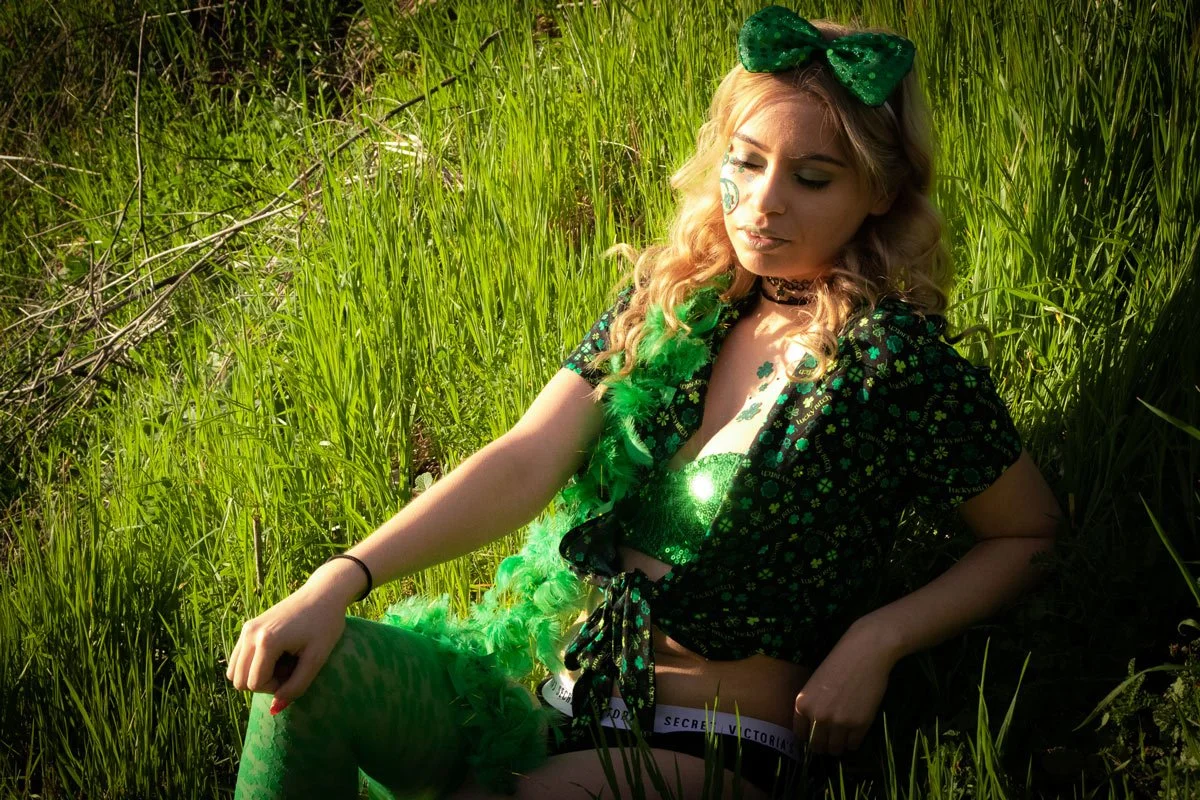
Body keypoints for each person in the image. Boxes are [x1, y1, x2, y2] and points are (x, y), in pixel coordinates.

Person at [224, 6, 1064, 799]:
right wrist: (339, 580)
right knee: (304, 681)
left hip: (713, 741)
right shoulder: (675, 308)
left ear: (877, 192)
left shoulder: (891, 361)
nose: (765, 202)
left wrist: (878, 638)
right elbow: (527, 457)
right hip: (554, 705)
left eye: (811, 178)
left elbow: (1027, 534)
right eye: (746, 161)